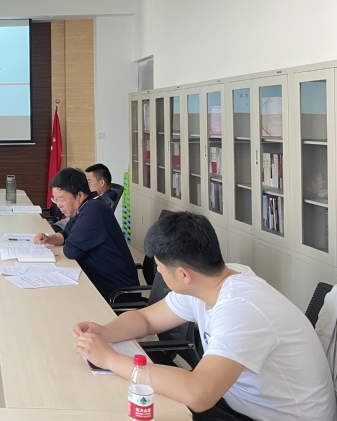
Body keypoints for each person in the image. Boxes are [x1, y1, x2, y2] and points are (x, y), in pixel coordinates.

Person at [73, 212, 337, 421]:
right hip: (235, 402)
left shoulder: (242, 308)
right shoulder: (211, 280)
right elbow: (147, 320)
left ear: (183, 274)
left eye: (160, 268)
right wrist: (104, 333)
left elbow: (198, 394)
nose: (159, 273)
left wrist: (109, 359)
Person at [33, 167, 138, 300]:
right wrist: (48, 239)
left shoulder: (93, 210)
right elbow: (64, 235)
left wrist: (68, 241)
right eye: (56, 200)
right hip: (97, 280)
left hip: (115, 291)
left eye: (62, 199)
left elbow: (71, 251)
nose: (59, 205)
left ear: (80, 195)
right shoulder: (83, 207)